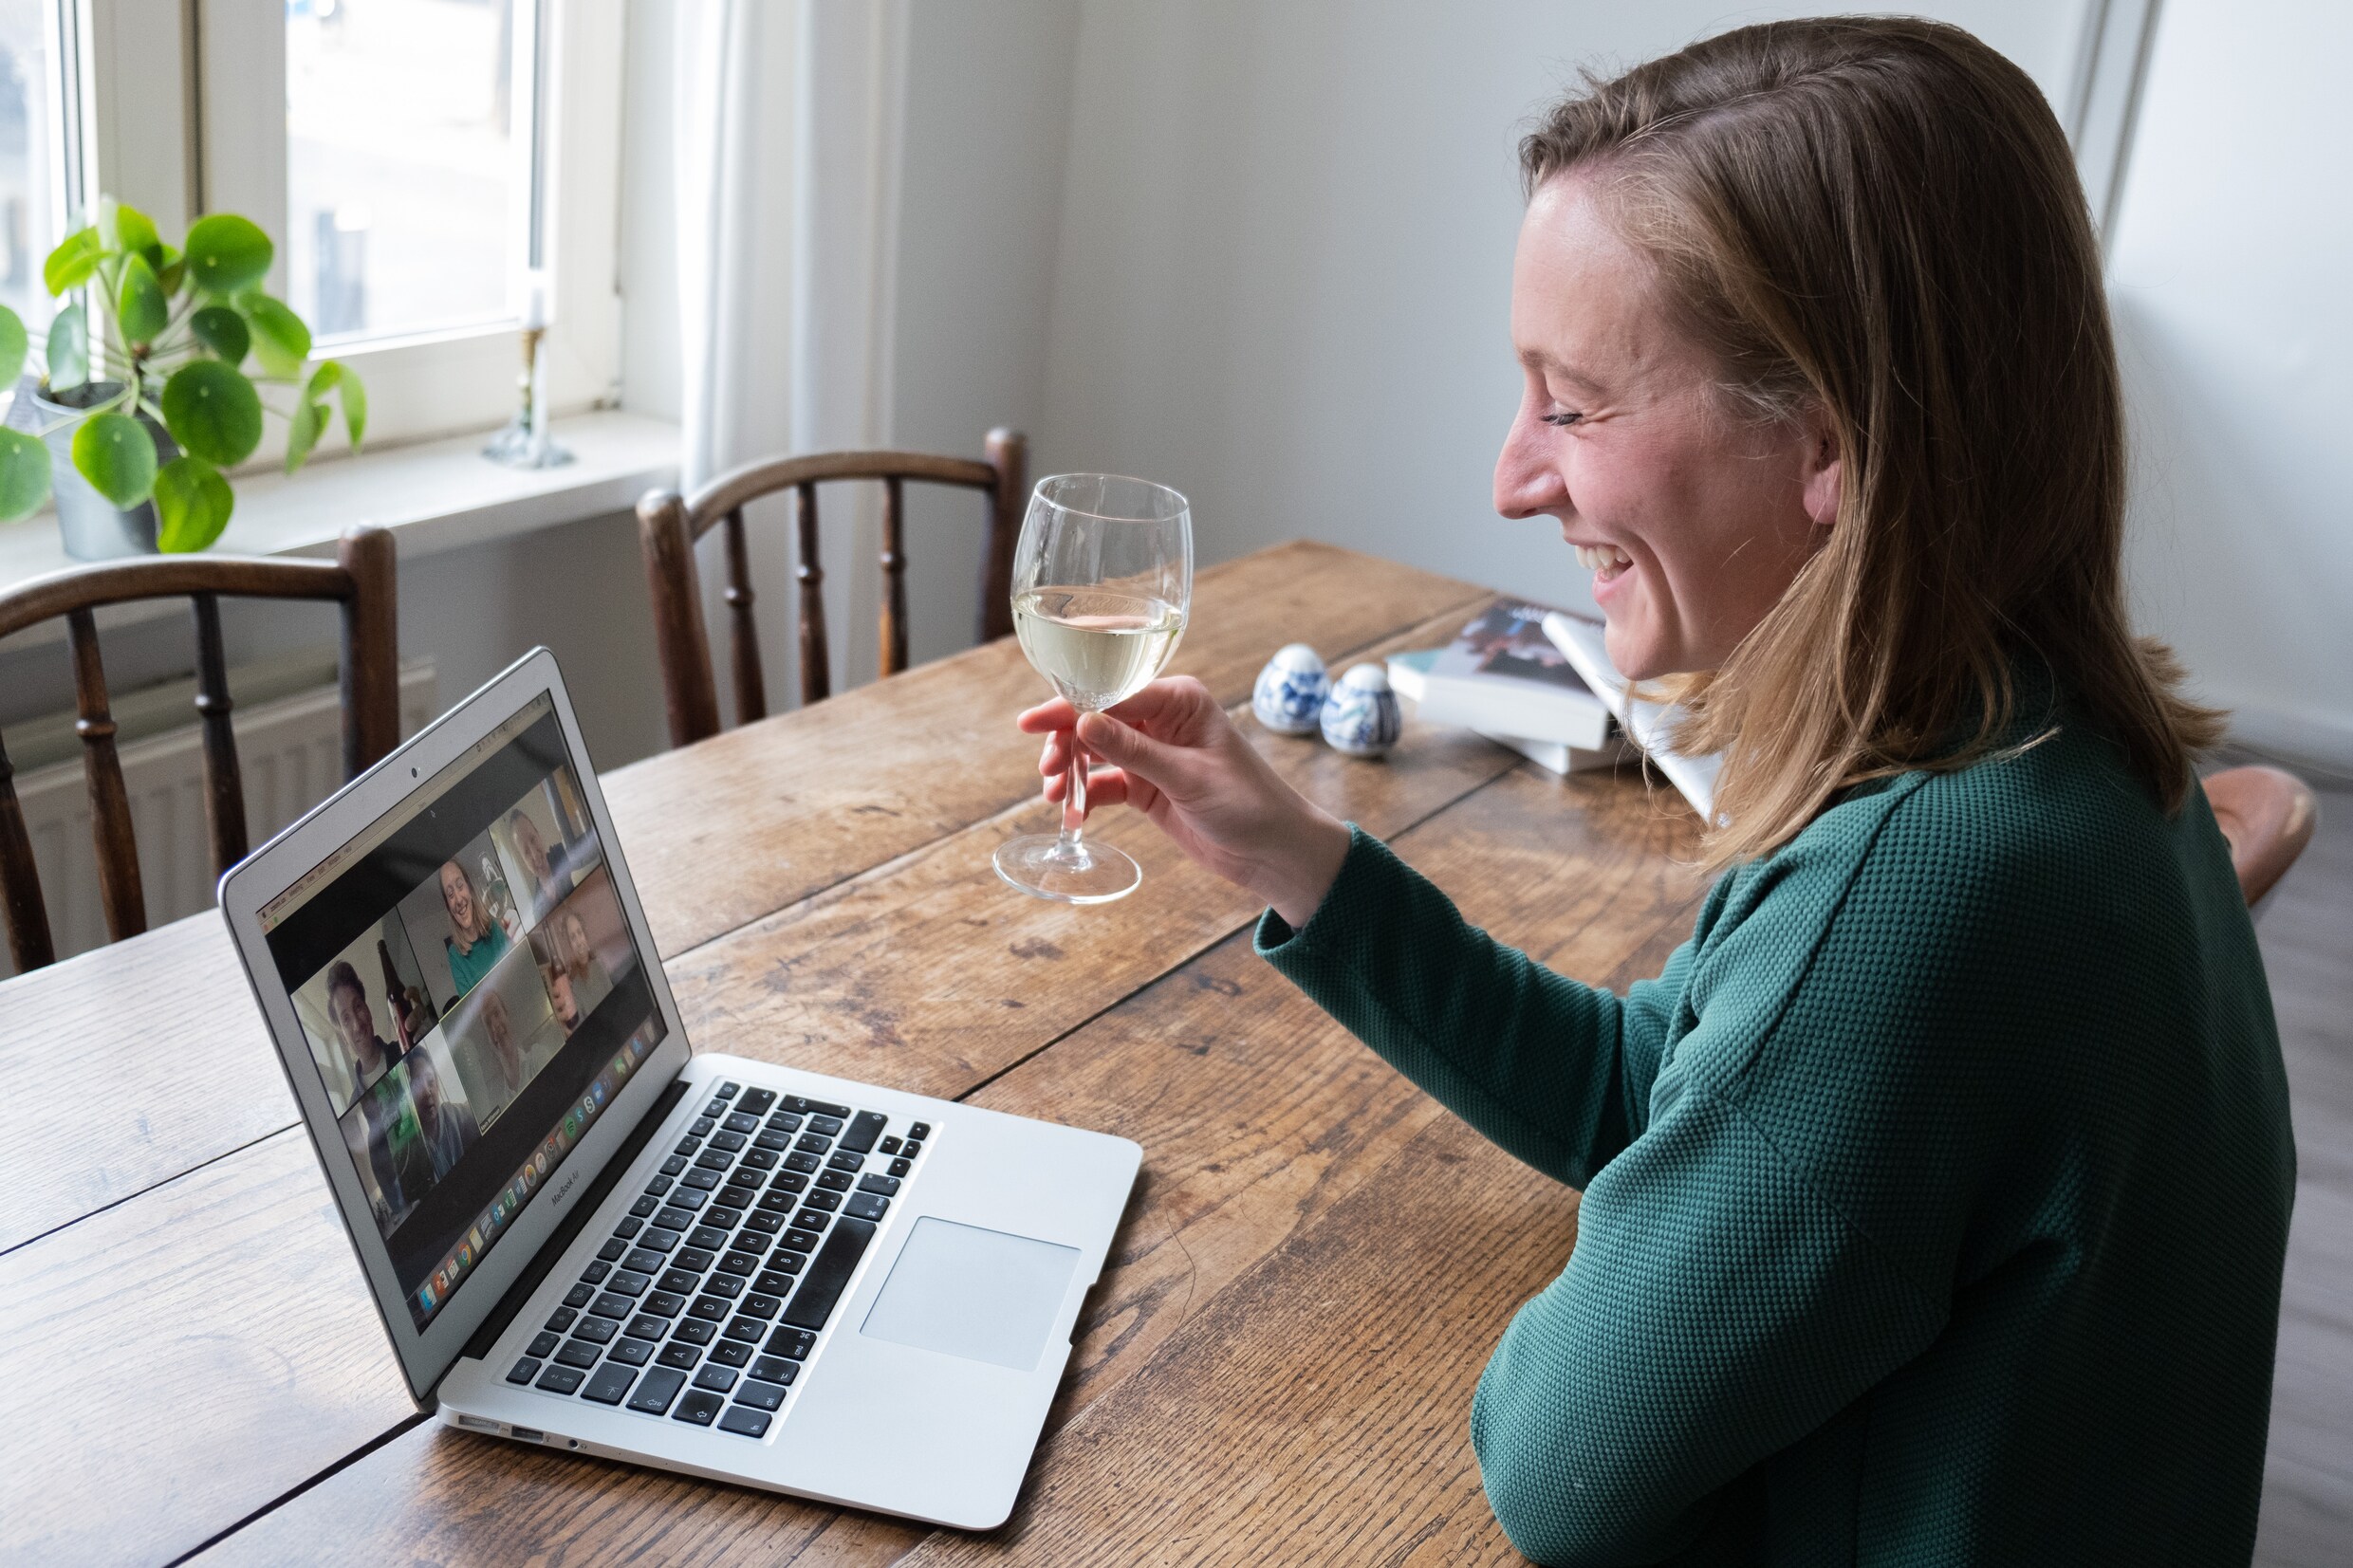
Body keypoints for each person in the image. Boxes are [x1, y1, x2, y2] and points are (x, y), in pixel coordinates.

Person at [1018, 20, 2293, 1565]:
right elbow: (1663, 1090)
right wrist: (1303, 859)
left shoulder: (1927, 896)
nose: (1510, 478)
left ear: (1826, 440)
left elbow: (1562, 1459)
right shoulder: (2046, 753)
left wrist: (1644, 1279)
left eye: (1573, 404)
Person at [326, 961, 433, 1227]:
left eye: (358, 1007)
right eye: (345, 1018)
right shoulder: (355, 1105)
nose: (357, 1024)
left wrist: (430, 1031)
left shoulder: (408, 1050)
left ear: (368, 1009)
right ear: (342, 1033)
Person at [438, 858, 510, 1002]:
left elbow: (517, 969)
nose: (458, 900)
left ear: (469, 888)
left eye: (460, 886)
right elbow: (473, 1007)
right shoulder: (454, 955)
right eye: (450, 894)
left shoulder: (493, 927)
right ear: (448, 906)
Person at [407, 1047, 480, 1180]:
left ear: (437, 1083)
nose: (427, 1092)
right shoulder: (409, 1152)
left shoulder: (459, 1116)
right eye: (417, 1087)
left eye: (430, 1081)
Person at [506, 805, 574, 923]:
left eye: (533, 839)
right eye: (526, 852)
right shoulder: (537, 910)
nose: (535, 855)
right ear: (524, 863)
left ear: (539, 836)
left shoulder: (566, 854)